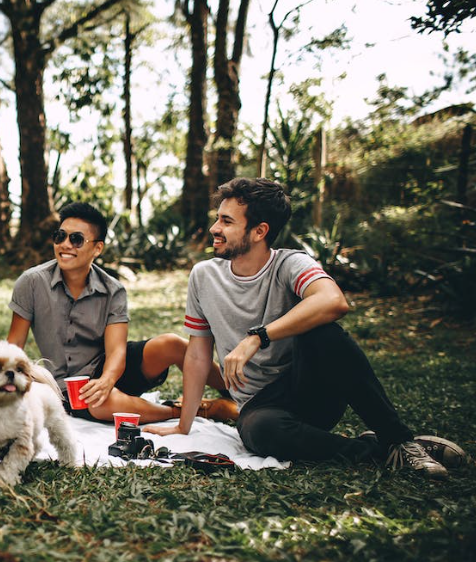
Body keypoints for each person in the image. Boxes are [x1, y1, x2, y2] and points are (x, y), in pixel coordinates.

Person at [144, 177, 465, 479]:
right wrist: (183, 426)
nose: (214, 228)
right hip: (260, 408)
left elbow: (333, 301)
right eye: (218, 218)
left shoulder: (290, 264)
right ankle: (380, 449)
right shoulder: (204, 276)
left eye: (227, 221)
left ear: (259, 231)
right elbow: (198, 355)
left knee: (324, 332)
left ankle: (400, 440)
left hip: (310, 390)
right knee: (260, 432)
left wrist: (258, 336)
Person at [6, 201, 237, 424]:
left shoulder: (113, 290)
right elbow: (13, 346)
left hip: (110, 368)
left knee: (172, 344)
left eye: (76, 239)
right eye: (60, 236)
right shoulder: (32, 283)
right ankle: (195, 410)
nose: (65, 244)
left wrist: (107, 380)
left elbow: (117, 351)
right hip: (68, 386)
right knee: (100, 403)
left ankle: (237, 394)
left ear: (97, 248)